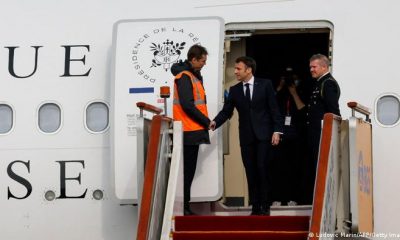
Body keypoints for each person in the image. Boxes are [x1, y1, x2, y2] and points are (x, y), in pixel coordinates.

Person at [210, 56, 282, 215]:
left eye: (238, 69)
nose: (235, 71)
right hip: (246, 137)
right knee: (250, 171)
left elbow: (274, 109)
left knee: (262, 168)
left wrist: (277, 130)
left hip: (264, 136)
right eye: (235, 68)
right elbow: (226, 111)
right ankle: (255, 207)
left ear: (249, 70)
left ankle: (265, 206)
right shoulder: (235, 90)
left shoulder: (265, 84)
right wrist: (215, 122)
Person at [171, 44, 211, 215]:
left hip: (191, 130)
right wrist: (206, 121)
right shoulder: (185, 77)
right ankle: (184, 207)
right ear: (193, 59)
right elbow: (188, 105)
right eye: (202, 61)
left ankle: (185, 206)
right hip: (188, 131)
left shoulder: (191, 75)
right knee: (187, 172)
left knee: (188, 171)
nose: (204, 64)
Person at [303, 53, 341, 204]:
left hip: (321, 134)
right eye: (310, 67)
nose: (311, 69)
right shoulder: (320, 82)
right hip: (315, 134)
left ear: (324, 66)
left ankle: (322, 201)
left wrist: (332, 133)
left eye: (314, 66)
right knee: (314, 167)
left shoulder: (328, 83)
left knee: (321, 168)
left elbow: (333, 110)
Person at [270, 68, 306, 207]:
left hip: (296, 136)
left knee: (294, 168)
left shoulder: (302, 92)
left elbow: (302, 109)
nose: (291, 81)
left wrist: (294, 92)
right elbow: (268, 104)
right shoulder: (279, 94)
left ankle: (293, 197)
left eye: (294, 78)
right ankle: (277, 197)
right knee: (278, 168)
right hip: (280, 135)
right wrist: (280, 87)